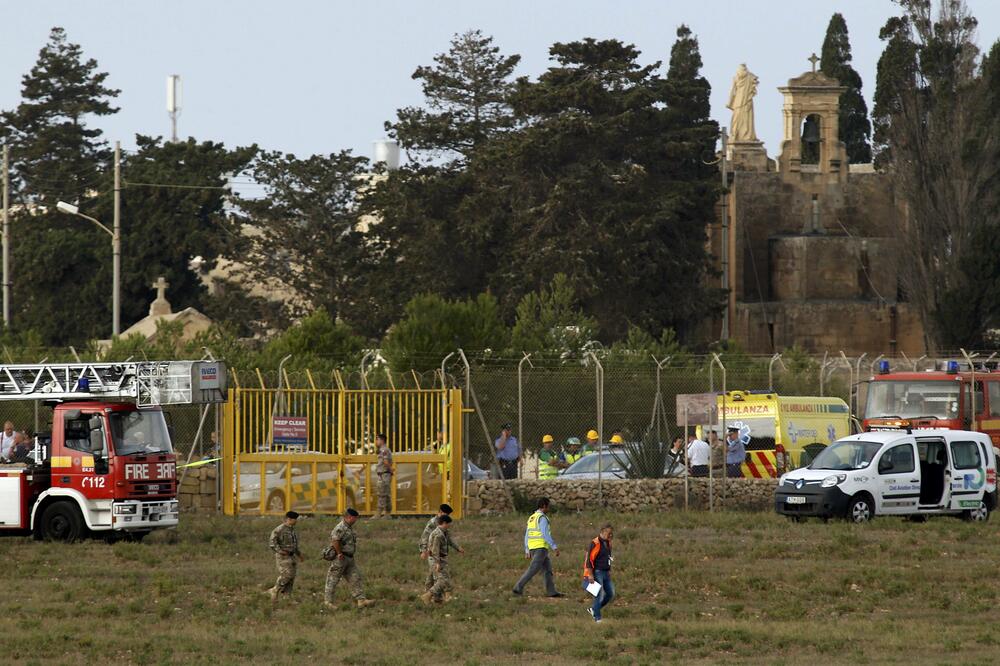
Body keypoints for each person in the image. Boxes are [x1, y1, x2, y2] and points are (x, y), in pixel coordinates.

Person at [513, 497, 563, 598]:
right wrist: (554, 547)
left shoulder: (532, 517)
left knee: (547, 570)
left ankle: (551, 591)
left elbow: (527, 534)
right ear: (544, 506)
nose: (549, 508)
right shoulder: (542, 518)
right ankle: (518, 588)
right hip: (540, 548)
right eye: (548, 506)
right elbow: (545, 534)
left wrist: (527, 549)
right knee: (533, 569)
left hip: (533, 547)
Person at [324, 508, 375, 608]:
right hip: (341, 558)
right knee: (333, 580)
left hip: (349, 558)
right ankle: (328, 602)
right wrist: (339, 553)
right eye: (355, 518)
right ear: (349, 517)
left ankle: (361, 600)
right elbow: (335, 540)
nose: (356, 520)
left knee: (355, 578)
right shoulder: (341, 527)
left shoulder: (348, 527)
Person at [421, 514, 464, 604]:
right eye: (448, 524)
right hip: (436, 559)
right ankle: (428, 595)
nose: (449, 526)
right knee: (443, 580)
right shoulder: (437, 535)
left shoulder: (444, 532)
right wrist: (437, 563)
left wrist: (458, 548)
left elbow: (450, 540)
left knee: (433, 578)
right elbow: (435, 550)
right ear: (444, 523)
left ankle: (437, 598)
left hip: (441, 559)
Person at [266, 510, 304, 602]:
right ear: (289, 519)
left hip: (292, 556)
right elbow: (272, 542)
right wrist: (280, 551)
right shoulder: (279, 529)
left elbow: (294, 544)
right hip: (283, 557)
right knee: (287, 574)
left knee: (292, 577)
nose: (296, 521)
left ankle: (287, 597)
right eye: (294, 519)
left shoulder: (292, 530)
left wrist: (299, 554)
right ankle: (275, 589)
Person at [583, 523, 614, 623]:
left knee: (610, 593)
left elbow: (609, 557)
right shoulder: (595, 543)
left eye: (611, 533)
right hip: (597, 572)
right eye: (609, 533)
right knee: (598, 594)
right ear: (603, 531)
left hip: (605, 572)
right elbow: (589, 560)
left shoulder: (608, 543)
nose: (610, 535)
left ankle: (594, 609)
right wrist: (590, 574)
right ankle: (597, 618)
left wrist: (609, 569)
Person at [374, 433, 393, 518]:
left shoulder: (384, 450)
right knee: (386, 494)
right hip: (385, 474)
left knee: (381, 494)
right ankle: (387, 513)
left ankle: (378, 514)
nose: (376, 441)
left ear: (382, 440)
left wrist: (390, 469)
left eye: (377, 439)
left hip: (384, 474)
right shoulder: (384, 449)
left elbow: (385, 462)